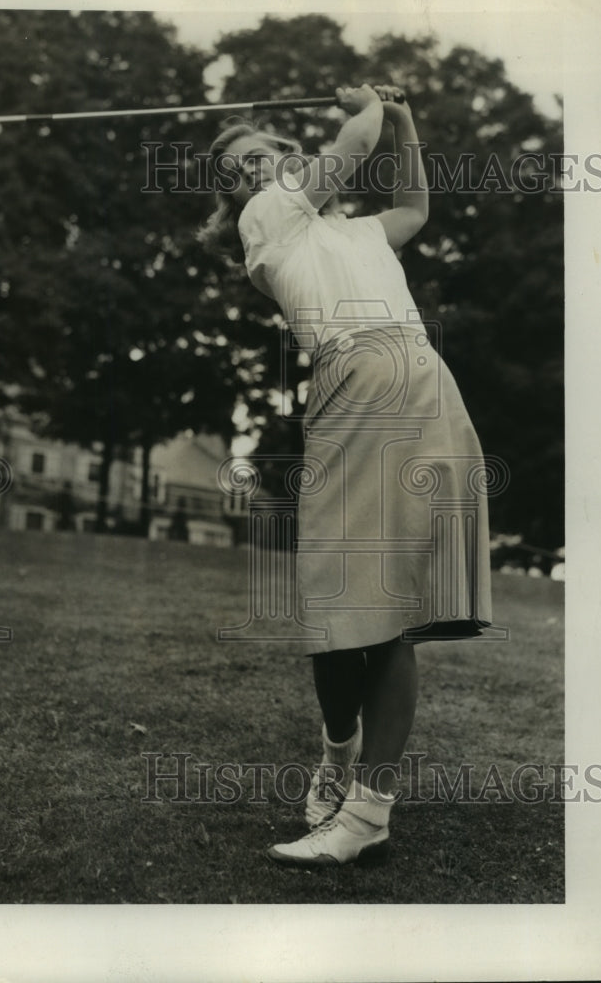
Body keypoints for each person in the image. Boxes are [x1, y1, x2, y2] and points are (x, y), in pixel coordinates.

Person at [198, 84, 493, 867]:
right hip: (348, 378)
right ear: (235, 193)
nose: (254, 167)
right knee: (333, 609)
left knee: (389, 613)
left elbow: (414, 204)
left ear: (287, 159)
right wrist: (365, 109)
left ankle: (367, 813)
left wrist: (401, 119)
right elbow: (351, 147)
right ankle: (336, 754)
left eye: (263, 153)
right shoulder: (266, 222)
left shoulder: (354, 231)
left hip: (417, 376)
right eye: (239, 167)